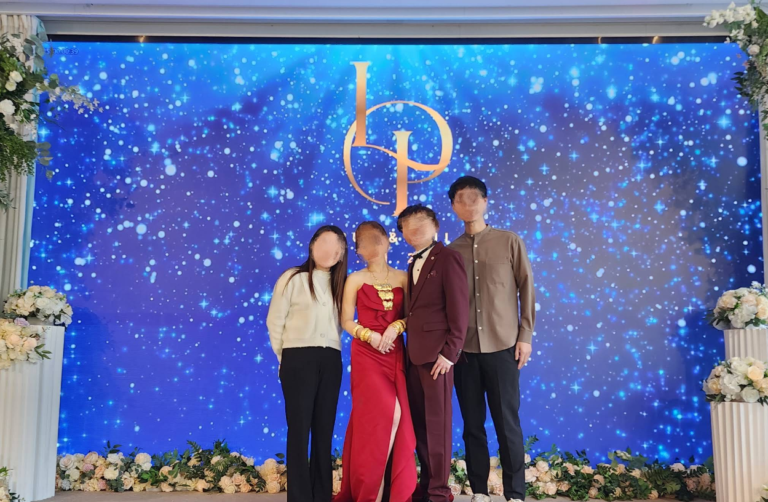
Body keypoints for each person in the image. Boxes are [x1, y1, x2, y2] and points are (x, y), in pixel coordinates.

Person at [447, 176, 536, 502]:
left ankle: (515, 493)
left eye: (475, 198)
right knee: (472, 426)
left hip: (504, 347)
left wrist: (525, 335)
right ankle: (480, 491)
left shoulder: (509, 241)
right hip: (464, 352)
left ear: (485, 202)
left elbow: (526, 287)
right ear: (454, 207)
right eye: (461, 199)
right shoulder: (450, 252)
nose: (469, 204)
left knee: (507, 423)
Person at [334, 221, 417, 502]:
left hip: (394, 352)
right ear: (358, 250)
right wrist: (369, 335)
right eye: (364, 243)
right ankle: (370, 493)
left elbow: (412, 315)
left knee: (397, 417)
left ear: (387, 242)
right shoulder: (355, 279)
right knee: (378, 418)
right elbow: (346, 320)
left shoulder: (403, 277)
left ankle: (391, 491)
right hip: (367, 355)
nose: (371, 247)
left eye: (376, 240)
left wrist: (397, 327)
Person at [267, 225, 349, 502]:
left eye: (337, 248)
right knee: (299, 429)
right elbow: (275, 320)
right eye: (324, 243)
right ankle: (300, 496)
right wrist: (284, 357)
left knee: (324, 429)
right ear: (312, 245)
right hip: (297, 357)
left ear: (342, 254)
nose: (330, 251)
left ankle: (321, 494)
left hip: (331, 359)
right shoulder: (292, 278)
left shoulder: (343, 283)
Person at [397, 204, 469, 502]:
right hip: (413, 357)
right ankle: (426, 486)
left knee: (437, 426)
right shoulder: (412, 262)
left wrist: (449, 354)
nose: (413, 229)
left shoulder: (449, 257)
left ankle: (440, 491)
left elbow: (460, 310)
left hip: (438, 358)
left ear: (435, 225)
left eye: (420, 222)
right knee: (420, 425)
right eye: (407, 225)